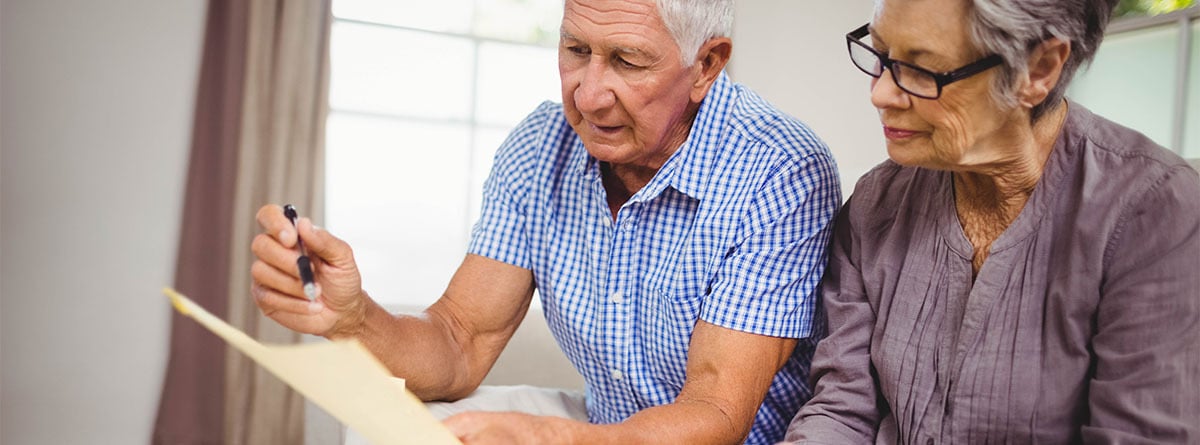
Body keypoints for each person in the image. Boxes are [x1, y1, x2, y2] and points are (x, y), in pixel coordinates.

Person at [251, 0, 841, 443]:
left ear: (706, 64)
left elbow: (715, 412)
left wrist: (555, 439)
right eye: (576, 50)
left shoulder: (780, 169)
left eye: (627, 61)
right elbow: (459, 342)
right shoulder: (541, 146)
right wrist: (352, 319)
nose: (587, 95)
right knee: (391, 426)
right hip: (603, 423)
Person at [784, 0, 1200, 443]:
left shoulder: (1153, 212)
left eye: (922, 70)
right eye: (882, 56)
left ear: (1038, 69)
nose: (881, 93)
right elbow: (842, 410)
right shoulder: (876, 203)